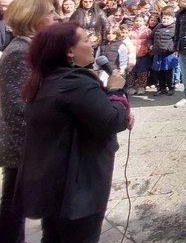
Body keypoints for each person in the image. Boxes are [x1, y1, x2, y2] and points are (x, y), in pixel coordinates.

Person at [14, 23, 133, 243]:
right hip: (76, 186)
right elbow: (111, 120)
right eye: (86, 41)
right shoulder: (75, 82)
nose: (92, 45)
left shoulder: (46, 79)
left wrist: (111, 103)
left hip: (52, 179)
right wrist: (116, 91)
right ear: (69, 51)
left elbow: (87, 113)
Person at [0, 0, 57, 242]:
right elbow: (17, 109)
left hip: (30, 145)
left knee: (14, 206)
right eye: (50, 12)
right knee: (13, 207)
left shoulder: (32, 48)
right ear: (34, 18)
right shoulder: (20, 52)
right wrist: (37, 150)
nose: (56, 16)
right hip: (23, 146)